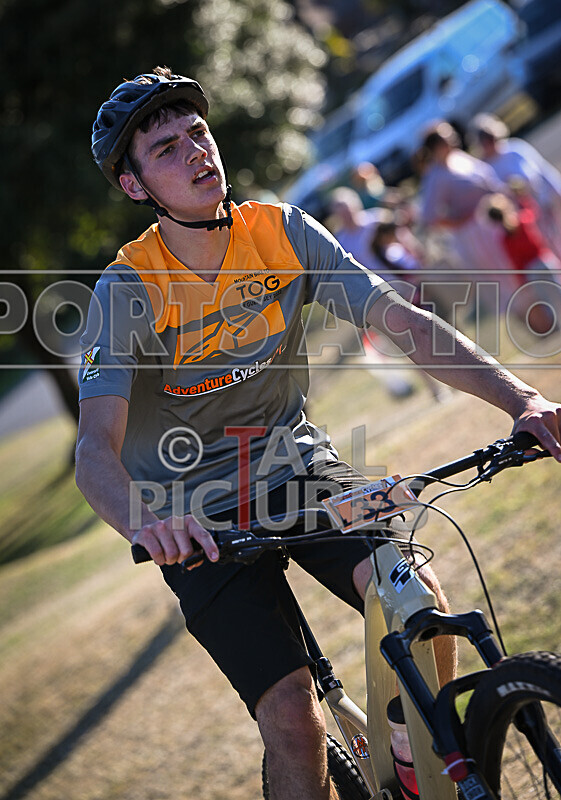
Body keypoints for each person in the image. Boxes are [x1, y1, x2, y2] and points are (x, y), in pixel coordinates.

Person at [76, 67, 561, 800]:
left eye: (198, 133)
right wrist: (151, 524)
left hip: (295, 468)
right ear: (135, 186)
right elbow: (93, 453)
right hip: (192, 518)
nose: (197, 153)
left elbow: (401, 323)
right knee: (294, 727)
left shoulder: (280, 231)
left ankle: (410, 765)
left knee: (414, 594)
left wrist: (520, 397)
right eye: (168, 149)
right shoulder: (127, 291)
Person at [418, 121, 516, 314]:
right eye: (447, 138)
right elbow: (430, 218)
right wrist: (460, 221)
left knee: (513, 268)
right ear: (437, 146)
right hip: (473, 236)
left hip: (494, 223)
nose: (453, 139)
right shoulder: (436, 176)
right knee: (499, 280)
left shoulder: (460, 158)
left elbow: (488, 181)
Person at [470, 112, 561, 261]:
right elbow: (493, 193)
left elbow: (539, 170)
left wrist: (555, 190)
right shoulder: (484, 167)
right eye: (485, 141)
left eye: (491, 138)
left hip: (544, 202)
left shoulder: (515, 148)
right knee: (547, 250)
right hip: (523, 218)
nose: (490, 143)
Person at [478, 192, 561, 334]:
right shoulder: (523, 221)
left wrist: (521, 281)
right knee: (557, 290)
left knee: (548, 300)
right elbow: (532, 210)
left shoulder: (505, 239)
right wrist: (522, 197)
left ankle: (557, 328)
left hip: (531, 272)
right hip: (543, 261)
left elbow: (515, 262)